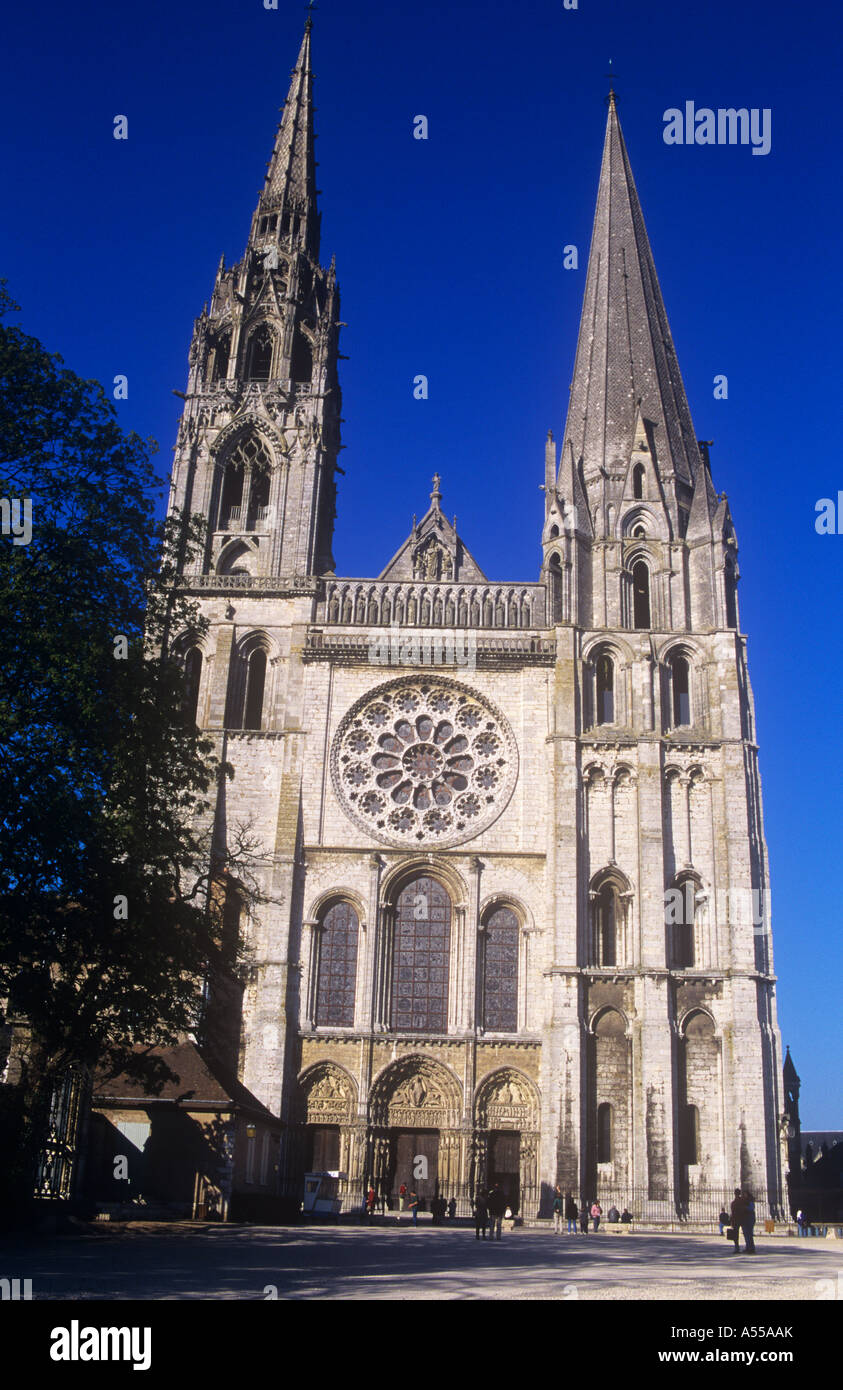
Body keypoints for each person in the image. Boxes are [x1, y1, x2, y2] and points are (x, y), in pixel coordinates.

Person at [728, 1187, 744, 1252]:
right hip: (742, 1219)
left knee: (735, 1234)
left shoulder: (734, 1202)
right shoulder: (742, 1201)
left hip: (735, 1219)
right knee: (746, 1233)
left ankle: (736, 1247)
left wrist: (731, 1220)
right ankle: (749, 1247)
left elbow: (732, 1212)